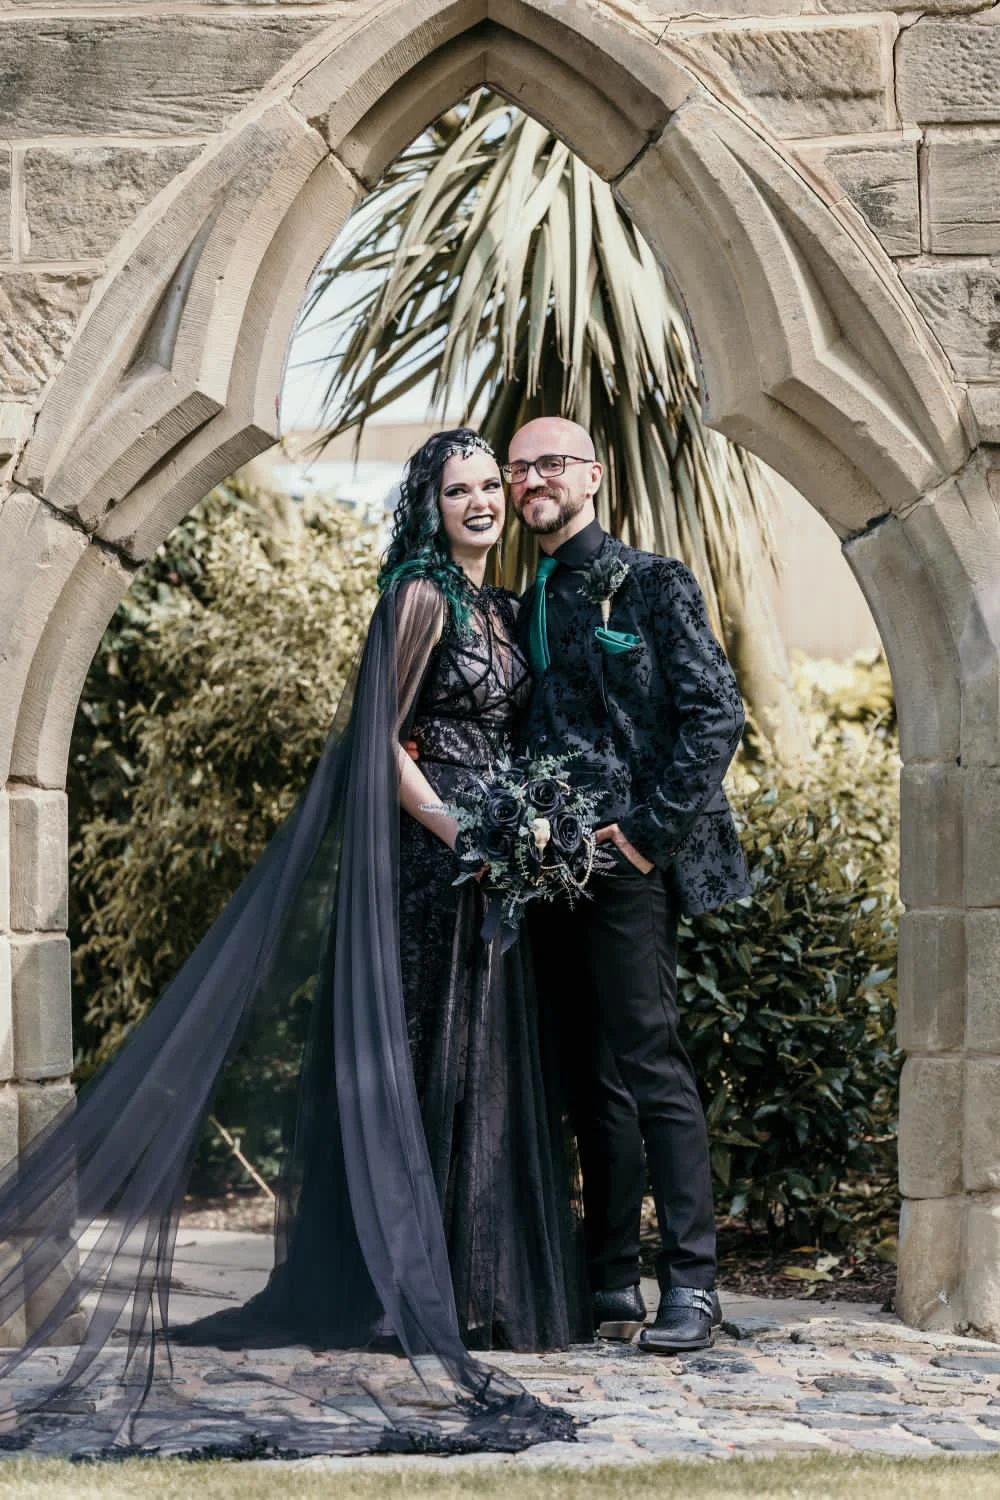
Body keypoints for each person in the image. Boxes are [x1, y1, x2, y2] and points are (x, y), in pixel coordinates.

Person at [0, 429, 580, 1459]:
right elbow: (381, 739)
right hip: (432, 865)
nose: (483, 501)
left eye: (492, 485)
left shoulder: (499, 606)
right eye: (461, 489)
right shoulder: (420, 597)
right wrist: (462, 829)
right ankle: (397, 1290)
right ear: (433, 504)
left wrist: (528, 831)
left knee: (483, 1061)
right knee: (426, 1055)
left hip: (499, 869)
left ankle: (482, 1292)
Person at [508, 415, 750, 1355]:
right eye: (520, 467)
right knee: (586, 1079)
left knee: (651, 1064)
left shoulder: (651, 582)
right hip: (546, 870)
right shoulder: (523, 599)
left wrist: (648, 838)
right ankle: (610, 1279)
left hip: (630, 863)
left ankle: (693, 1284)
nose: (533, 480)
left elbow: (714, 714)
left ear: (594, 478)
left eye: (551, 465)